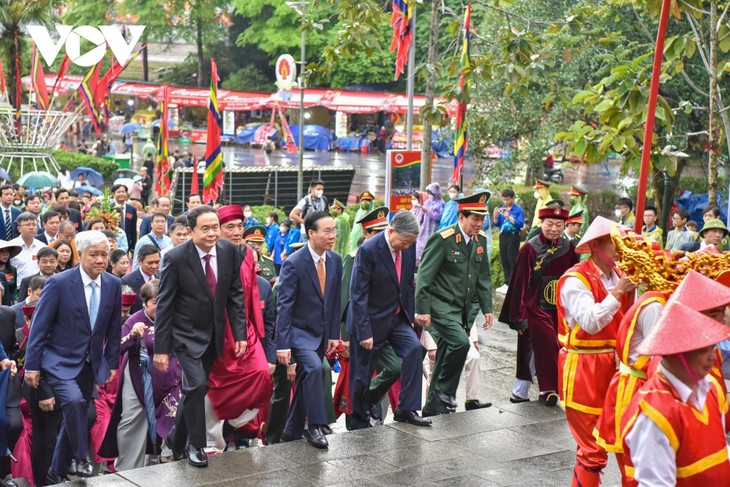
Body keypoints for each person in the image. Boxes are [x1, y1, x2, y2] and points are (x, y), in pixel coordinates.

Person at [24, 230, 122, 483]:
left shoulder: (112, 284)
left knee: (83, 414)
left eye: (104, 254)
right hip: (57, 360)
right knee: (75, 402)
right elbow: (39, 328)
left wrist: (111, 363)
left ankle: (56, 470)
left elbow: (112, 328)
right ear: (80, 255)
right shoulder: (59, 283)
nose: (100, 260)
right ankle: (80, 458)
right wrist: (32, 367)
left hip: (89, 364)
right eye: (94, 255)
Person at [154, 205, 247, 468]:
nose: (211, 233)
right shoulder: (175, 257)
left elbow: (235, 294)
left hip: (214, 333)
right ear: (190, 231)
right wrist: (161, 349)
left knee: (194, 389)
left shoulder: (229, 251)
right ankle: (196, 445)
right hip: (184, 334)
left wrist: (239, 333)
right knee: (196, 386)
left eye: (215, 227)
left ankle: (176, 437)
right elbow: (164, 304)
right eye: (204, 228)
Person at [556, 216, 637, 486]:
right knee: (592, 449)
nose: (621, 248)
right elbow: (590, 322)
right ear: (596, 245)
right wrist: (618, 293)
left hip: (616, 369)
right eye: (615, 243)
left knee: (625, 442)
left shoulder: (621, 276)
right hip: (583, 368)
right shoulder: (574, 279)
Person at [620, 301, 730, 485]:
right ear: (675, 352)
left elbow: (717, 451)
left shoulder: (710, 388)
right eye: (702, 350)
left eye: (712, 346)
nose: (712, 356)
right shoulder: (653, 414)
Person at [348, 210, 431, 429]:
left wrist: (412, 315)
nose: (405, 246)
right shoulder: (369, 250)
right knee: (362, 376)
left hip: (396, 318)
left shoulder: (408, 244)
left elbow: (407, 284)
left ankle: (406, 409)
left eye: (410, 243)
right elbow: (358, 294)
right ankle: (357, 420)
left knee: (414, 349)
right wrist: (364, 331)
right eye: (403, 241)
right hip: (370, 322)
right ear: (391, 230)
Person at [415, 192, 493, 416]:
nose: (479, 224)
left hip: (462, 310)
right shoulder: (443, 239)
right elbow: (424, 276)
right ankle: (445, 392)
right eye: (474, 219)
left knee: (447, 350)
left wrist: (487, 308)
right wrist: (422, 309)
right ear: (461, 217)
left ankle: (432, 407)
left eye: (482, 219)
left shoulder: (481, 241)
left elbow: (483, 278)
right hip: (439, 306)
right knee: (460, 343)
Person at [207, 205, 272, 450]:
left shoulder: (246, 253)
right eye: (230, 227)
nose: (236, 232)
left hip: (243, 328)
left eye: (239, 226)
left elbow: (252, 295)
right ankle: (212, 440)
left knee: (262, 375)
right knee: (215, 387)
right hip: (216, 331)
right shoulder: (209, 256)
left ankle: (234, 423)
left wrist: (257, 331)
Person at [276, 211, 342, 448]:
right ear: (311, 233)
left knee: (308, 376)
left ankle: (291, 430)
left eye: (334, 230)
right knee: (315, 370)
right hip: (298, 332)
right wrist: (283, 344)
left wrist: (334, 334)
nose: (332, 235)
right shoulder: (294, 263)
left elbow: (334, 301)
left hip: (321, 334)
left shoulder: (335, 260)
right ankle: (313, 426)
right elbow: (284, 307)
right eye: (327, 231)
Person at [499, 204, 578, 405]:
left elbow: (573, 278)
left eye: (559, 225)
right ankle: (549, 389)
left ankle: (520, 392)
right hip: (535, 306)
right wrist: (518, 318)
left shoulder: (569, 248)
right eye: (549, 224)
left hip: (558, 308)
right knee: (547, 343)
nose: (554, 229)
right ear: (541, 223)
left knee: (545, 347)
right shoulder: (529, 248)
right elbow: (519, 284)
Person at [100, 280, 182, 471]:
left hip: (171, 379)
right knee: (131, 421)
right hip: (138, 378)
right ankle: (127, 470)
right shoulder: (135, 319)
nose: (160, 306)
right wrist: (133, 336)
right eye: (155, 302)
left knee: (174, 417)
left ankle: (169, 461)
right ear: (144, 303)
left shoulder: (176, 317)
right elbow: (115, 348)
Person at [492, 188, 525, 291]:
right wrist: (495, 216)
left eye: (508, 199)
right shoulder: (502, 208)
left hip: (513, 235)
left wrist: (509, 217)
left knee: (512, 259)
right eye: (504, 199)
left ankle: (513, 283)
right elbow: (497, 224)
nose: (506, 202)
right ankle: (506, 283)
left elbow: (520, 224)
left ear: (513, 198)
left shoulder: (518, 210)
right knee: (504, 259)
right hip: (503, 235)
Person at [122, 245, 160, 314]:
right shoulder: (127, 281)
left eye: (157, 262)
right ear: (139, 261)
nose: (154, 266)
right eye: (150, 263)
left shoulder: (163, 278)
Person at [9, 212, 46, 284]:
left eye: (34, 225)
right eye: (28, 225)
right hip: (17, 288)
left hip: (38, 288)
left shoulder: (42, 246)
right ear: (19, 228)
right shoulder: (11, 246)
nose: (31, 227)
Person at [413, 182, 444, 264]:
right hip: (424, 228)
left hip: (434, 229)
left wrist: (429, 211)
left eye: (430, 193)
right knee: (420, 247)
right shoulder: (428, 202)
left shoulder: (441, 203)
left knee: (431, 248)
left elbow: (439, 216)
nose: (429, 195)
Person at [112, 184, 138, 253]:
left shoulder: (132, 209)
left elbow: (133, 229)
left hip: (126, 244)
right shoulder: (109, 208)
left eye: (123, 192)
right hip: (113, 243)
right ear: (113, 195)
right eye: (118, 192)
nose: (121, 194)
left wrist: (133, 246)